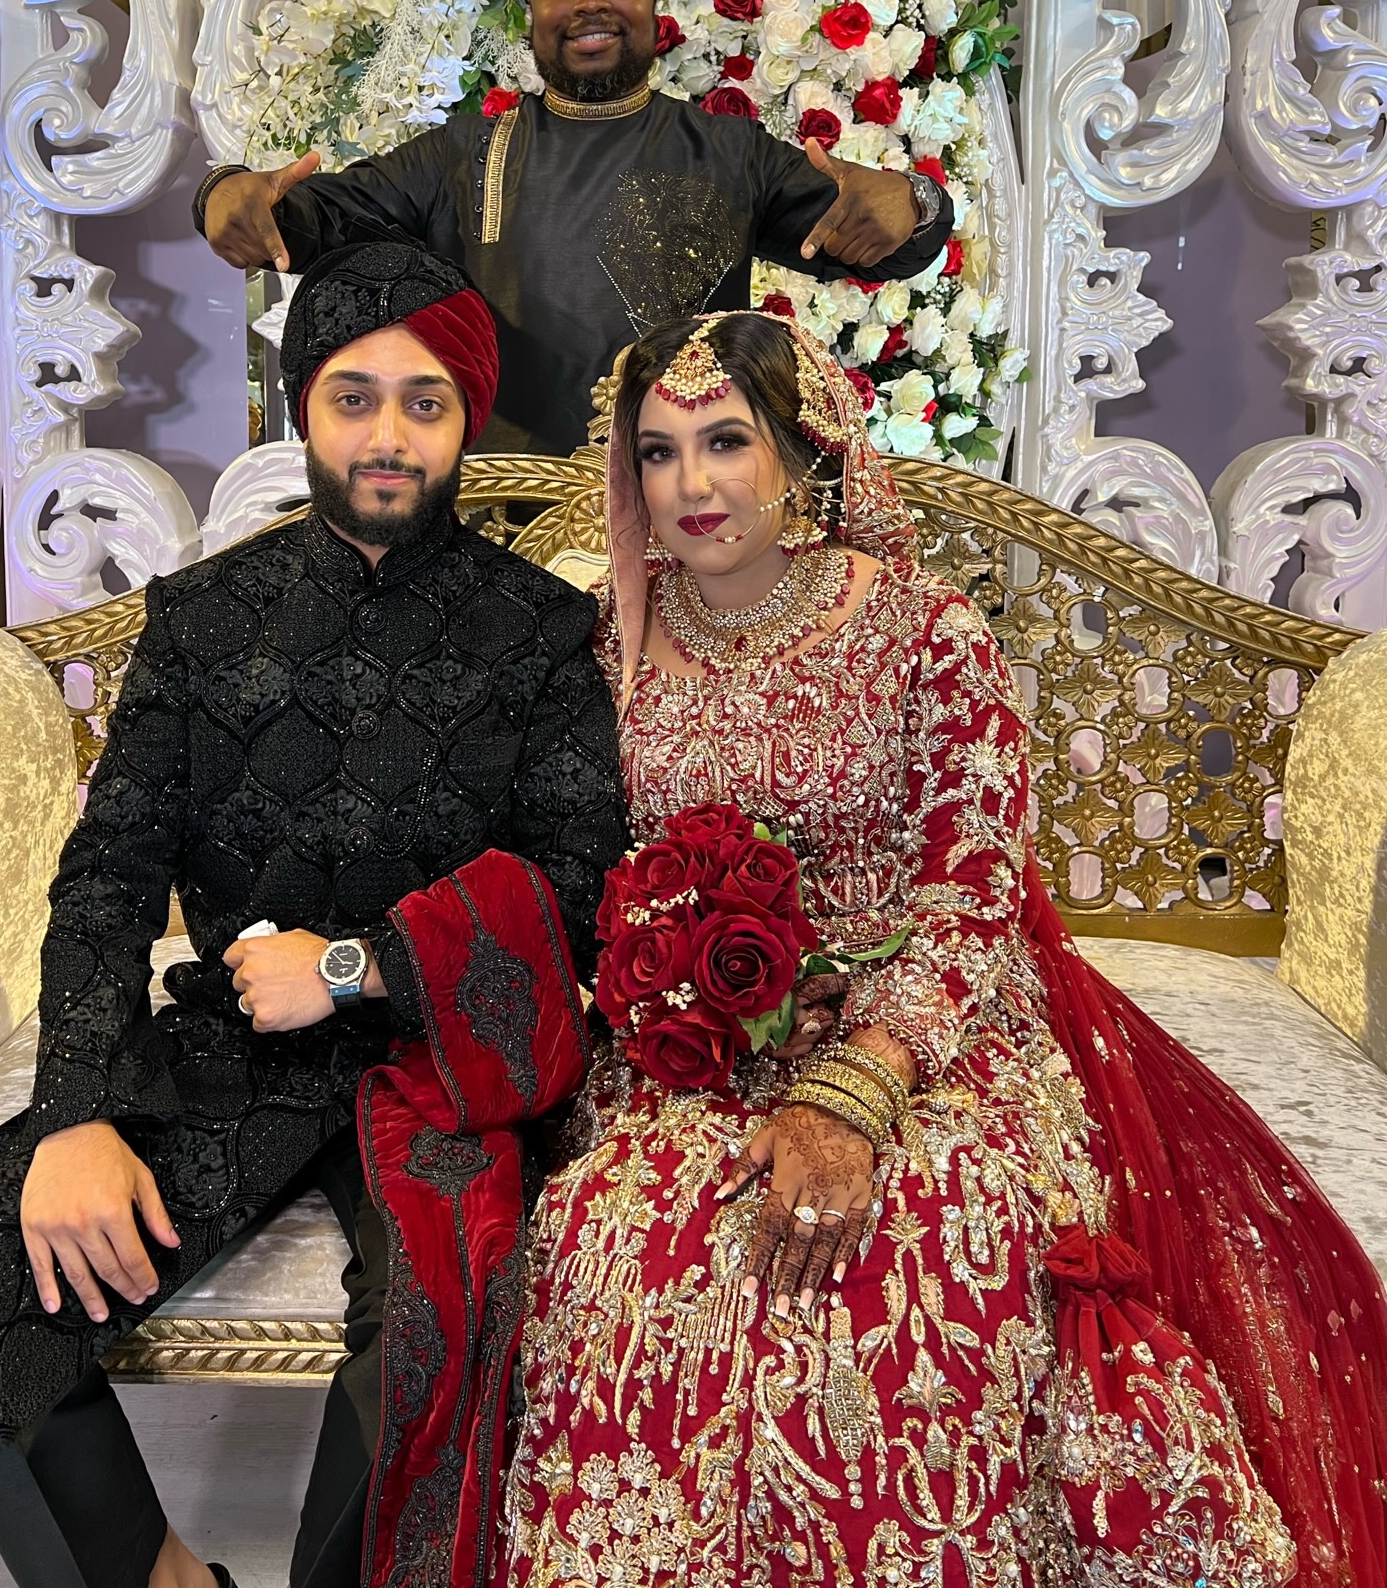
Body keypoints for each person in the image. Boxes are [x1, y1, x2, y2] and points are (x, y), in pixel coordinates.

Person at [476, 308, 1387, 1588]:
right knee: (630, 1240)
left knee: (928, 1239)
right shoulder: (613, 644)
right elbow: (582, 869)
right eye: (660, 451)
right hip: (696, 1042)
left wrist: (861, 1081)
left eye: (726, 441)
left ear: (801, 456)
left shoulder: (924, 631)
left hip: (923, 1031)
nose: (690, 485)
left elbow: (972, 889)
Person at [0, 241, 630, 1588]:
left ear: (466, 417)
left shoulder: (544, 633)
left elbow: (578, 888)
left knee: (437, 1326)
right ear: (301, 410)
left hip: (433, 1051)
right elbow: (106, 873)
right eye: (353, 396)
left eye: (425, 399)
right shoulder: (206, 621)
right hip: (236, 1049)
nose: (388, 434)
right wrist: (76, 1115)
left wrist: (365, 964)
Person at [194, 0, 956, 455]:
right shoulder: (464, 154)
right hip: (509, 525)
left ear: (656, 10)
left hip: (687, 520)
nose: (590, 3)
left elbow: (883, 244)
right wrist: (225, 194)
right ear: (529, 17)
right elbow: (302, 222)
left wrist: (912, 203)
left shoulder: (730, 154)